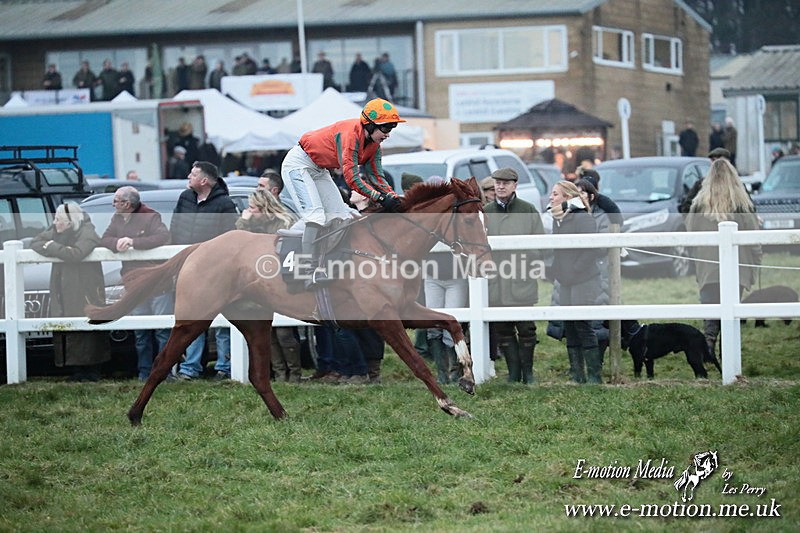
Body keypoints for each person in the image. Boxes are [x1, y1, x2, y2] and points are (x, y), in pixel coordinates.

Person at [280, 97, 404, 289]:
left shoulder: (374, 146)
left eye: (392, 129)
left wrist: (393, 197)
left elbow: (377, 176)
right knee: (316, 216)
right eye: (386, 128)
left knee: (341, 215)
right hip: (298, 165)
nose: (388, 134)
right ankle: (307, 269)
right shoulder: (350, 135)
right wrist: (379, 198)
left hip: (319, 169)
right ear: (369, 126)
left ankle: (325, 261)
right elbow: (352, 179)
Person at [686, 158, 761, 360]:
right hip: (737, 267)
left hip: (707, 268)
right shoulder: (741, 204)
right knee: (730, 313)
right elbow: (754, 237)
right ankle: (728, 356)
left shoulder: (699, 204)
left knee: (711, 311)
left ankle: (708, 346)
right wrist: (756, 262)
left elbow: (690, 233)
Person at [170, 161, 238, 380]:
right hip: (189, 269)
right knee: (191, 318)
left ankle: (223, 366)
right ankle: (190, 368)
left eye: (193, 174)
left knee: (222, 321)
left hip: (216, 270)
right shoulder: (185, 198)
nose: (188, 176)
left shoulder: (225, 204)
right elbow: (175, 227)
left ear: (204, 180)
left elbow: (229, 237)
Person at [30, 203, 110, 381]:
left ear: (70, 222)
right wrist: (56, 246)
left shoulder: (88, 233)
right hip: (63, 288)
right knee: (68, 327)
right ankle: (76, 371)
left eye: (59, 220)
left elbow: (76, 254)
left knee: (89, 329)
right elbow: (36, 242)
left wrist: (52, 246)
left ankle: (92, 371)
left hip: (86, 289)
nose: (55, 223)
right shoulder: (57, 230)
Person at [100, 186, 172, 381]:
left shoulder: (151, 216)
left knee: (163, 331)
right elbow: (105, 238)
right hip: (134, 283)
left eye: (116, 201)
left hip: (157, 282)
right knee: (141, 333)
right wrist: (116, 243)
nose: (113, 204)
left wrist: (133, 242)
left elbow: (163, 237)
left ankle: (164, 373)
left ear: (127, 204)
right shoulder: (116, 218)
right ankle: (144, 372)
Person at [484, 168, 545, 384]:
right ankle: (513, 374)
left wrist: (526, 261)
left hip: (521, 279)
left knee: (527, 328)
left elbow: (541, 245)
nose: (500, 186)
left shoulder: (528, 210)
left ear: (515, 185)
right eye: (497, 183)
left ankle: (528, 373)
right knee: (503, 329)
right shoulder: (485, 212)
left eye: (505, 183)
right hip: (496, 282)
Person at [235, 189, 302, 382]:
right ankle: (280, 374)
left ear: (264, 208)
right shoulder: (252, 224)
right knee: (269, 333)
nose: (249, 211)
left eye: (253, 208)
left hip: (283, 282)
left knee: (284, 333)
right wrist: (245, 220)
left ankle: (294, 374)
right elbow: (237, 237)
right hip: (261, 285)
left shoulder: (282, 223)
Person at [549, 180, 604, 384]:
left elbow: (590, 250)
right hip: (566, 279)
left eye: (555, 194)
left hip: (584, 278)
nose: (551, 197)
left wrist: (573, 271)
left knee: (582, 323)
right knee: (569, 325)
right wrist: (557, 271)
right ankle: (577, 374)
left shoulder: (582, 218)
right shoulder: (558, 219)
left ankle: (594, 376)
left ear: (567, 197)